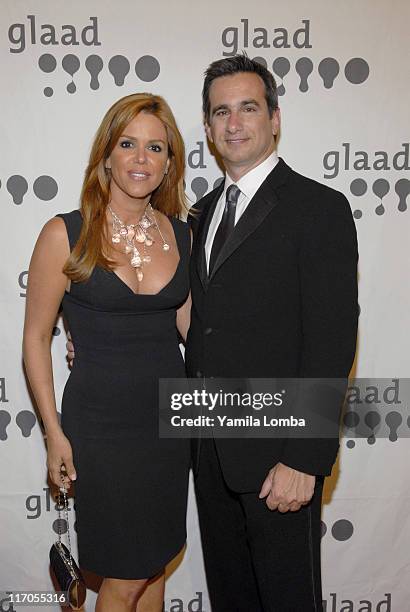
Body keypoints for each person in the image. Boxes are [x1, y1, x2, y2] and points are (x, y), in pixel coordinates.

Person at [185, 55, 359, 611]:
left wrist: (305, 457)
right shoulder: (198, 215)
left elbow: (333, 338)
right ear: (208, 129)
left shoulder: (319, 209)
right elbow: (193, 317)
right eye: (221, 112)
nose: (234, 122)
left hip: (279, 457)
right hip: (209, 447)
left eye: (248, 108)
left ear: (275, 118)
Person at [23, 93, 192, 612]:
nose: (141, 159)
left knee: (156, 567)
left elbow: (198, 332)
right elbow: (35, 340)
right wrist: (54, 433)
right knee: (123, 576)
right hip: (101, 427)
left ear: (168, 165)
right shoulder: (65, 234)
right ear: (106, 155)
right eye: (128, 144)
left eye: (155, 148)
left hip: (168, 424)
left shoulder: (184, 235)